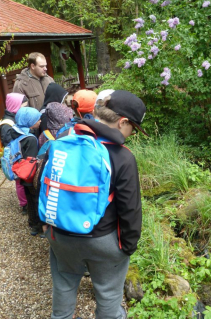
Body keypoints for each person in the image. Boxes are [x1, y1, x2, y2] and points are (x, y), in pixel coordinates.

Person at [43, 90, 148, 319]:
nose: (131, 134)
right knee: (109, 295)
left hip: (61, 235)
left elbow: (45, 183)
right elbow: (130, 210)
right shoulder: (122, 156)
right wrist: (127, 247)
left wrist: (47, 226)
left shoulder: (64, 140)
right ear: (123, 122)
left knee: (63, 286)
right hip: (104, 240)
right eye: (133, 129)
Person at [11, 107, 42, 236]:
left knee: (29, 199)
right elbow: (32, 161)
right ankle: (39, 226)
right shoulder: (30, 139)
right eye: (37, 119)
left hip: (21, 173)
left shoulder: (16, 133)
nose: (40, 121)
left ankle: (32, 223)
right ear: (29, 121)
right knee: (36, 199)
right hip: (30, 175)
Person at [0, 93, 29, 215]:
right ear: (16, 106)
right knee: (19, 181)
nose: (25, 108)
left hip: (19, 153)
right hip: (15, 156)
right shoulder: (7, 124)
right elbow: (8, 142)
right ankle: (24, 205)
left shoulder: (13, 117)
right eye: (23, 106)